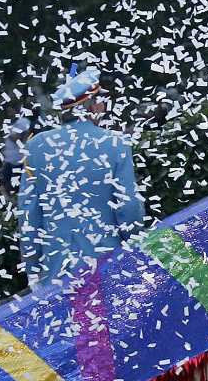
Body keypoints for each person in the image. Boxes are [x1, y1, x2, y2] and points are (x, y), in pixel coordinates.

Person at [15, 66, 145, 287]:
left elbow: (29, 214)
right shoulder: (115, 143)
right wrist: (137, 248)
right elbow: (129, 207)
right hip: (108, 266)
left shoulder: (36, 146)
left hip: (55, 270)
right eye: (102, 100)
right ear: (92, 104)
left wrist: (32, 269)